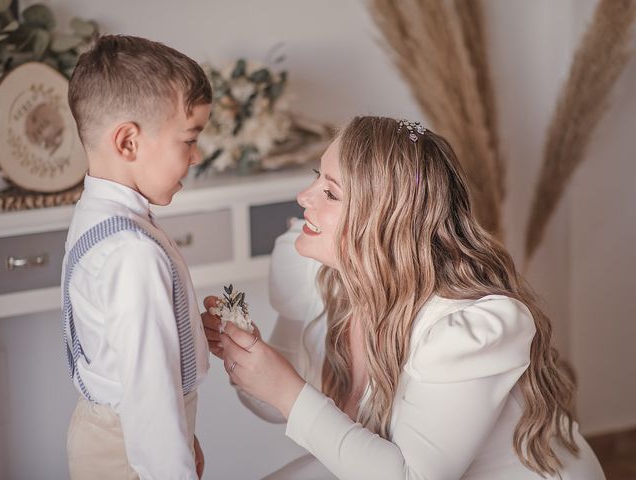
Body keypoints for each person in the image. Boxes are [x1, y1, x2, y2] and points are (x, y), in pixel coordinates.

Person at [203, 116, 605, 479]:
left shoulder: (466, 330)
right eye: (316, 177)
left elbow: (410, 476)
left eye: (331, 192)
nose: (304, 197)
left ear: (384, 220)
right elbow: (281, 403)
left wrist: (284, 388)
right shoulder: (312, 270)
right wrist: (250, 360)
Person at [62, 35, 211, 479]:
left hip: (122, 433)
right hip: (130, 451)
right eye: (190, 138)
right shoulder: (132, 255)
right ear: (128, 142)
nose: (197, 155)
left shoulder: (99, 215)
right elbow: (149, 397)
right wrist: (173, 463)